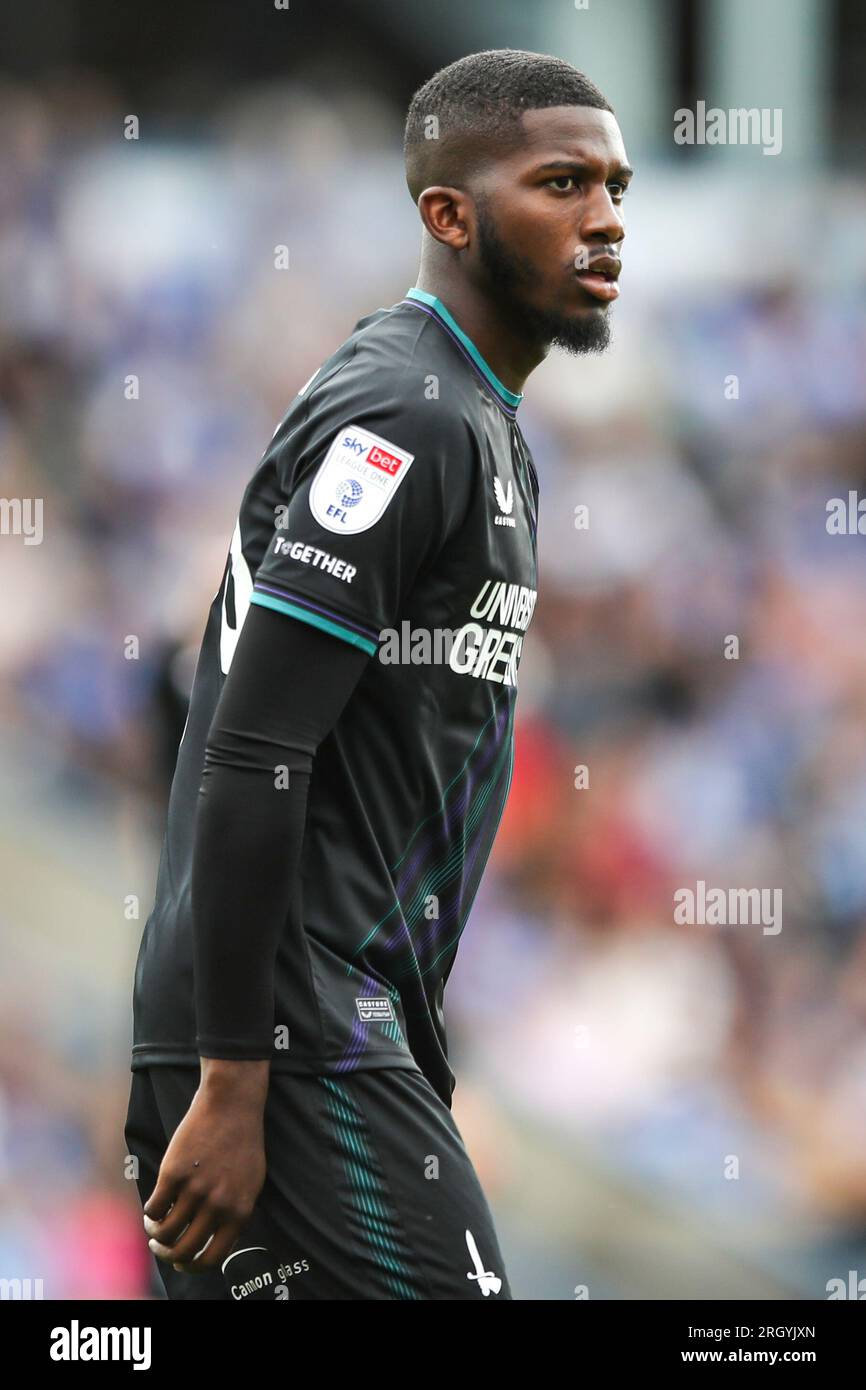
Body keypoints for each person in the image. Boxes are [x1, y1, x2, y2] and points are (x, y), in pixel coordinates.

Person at [124, 46, 631, 1300]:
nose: (605, 218)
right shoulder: (408, 414)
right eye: (561, 184)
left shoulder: (482, 426)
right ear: (447, 214)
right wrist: (239, 1076)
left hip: (315, 1024)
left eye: (615, 187)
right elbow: (252, 744)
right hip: (295, 1036)